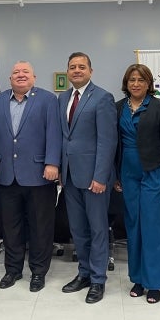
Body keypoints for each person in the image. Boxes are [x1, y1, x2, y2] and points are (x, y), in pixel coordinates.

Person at [0, 60, 62, 292]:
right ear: (9, 79)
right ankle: (13, 270)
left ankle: (38, 272)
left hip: (40, 175)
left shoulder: (47, 100)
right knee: (11, 226)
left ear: (34, 77)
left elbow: (54, 134)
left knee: (40, 227)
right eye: (16, 72)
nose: (20, 75)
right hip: (6, 175)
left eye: (25, 72)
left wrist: (52, 162)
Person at [114, 63, 160, 304]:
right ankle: (138, 279)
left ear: (149, 83)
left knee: (154, 228)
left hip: (153, 173)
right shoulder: (119, 108)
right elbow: (115, 145)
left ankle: (155, 283)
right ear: (126, 83)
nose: (136, 84)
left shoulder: (159, 107)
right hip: (127, 174)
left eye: (140, 80)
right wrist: (116, 175)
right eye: (131, 80)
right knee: (134, 227)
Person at [58, 52, 117, 304]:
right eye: (72, 67)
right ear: (68, 72)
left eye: (82, 67)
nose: (77, 71)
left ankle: (98, 280)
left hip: (95, 178)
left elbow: (107, 140)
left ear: (91, 71)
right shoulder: (62, 98)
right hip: (70, 176)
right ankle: (83, 273)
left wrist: (101, 176)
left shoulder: (102, 98)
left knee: (97, 230)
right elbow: (65, 138)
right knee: (78, 230)